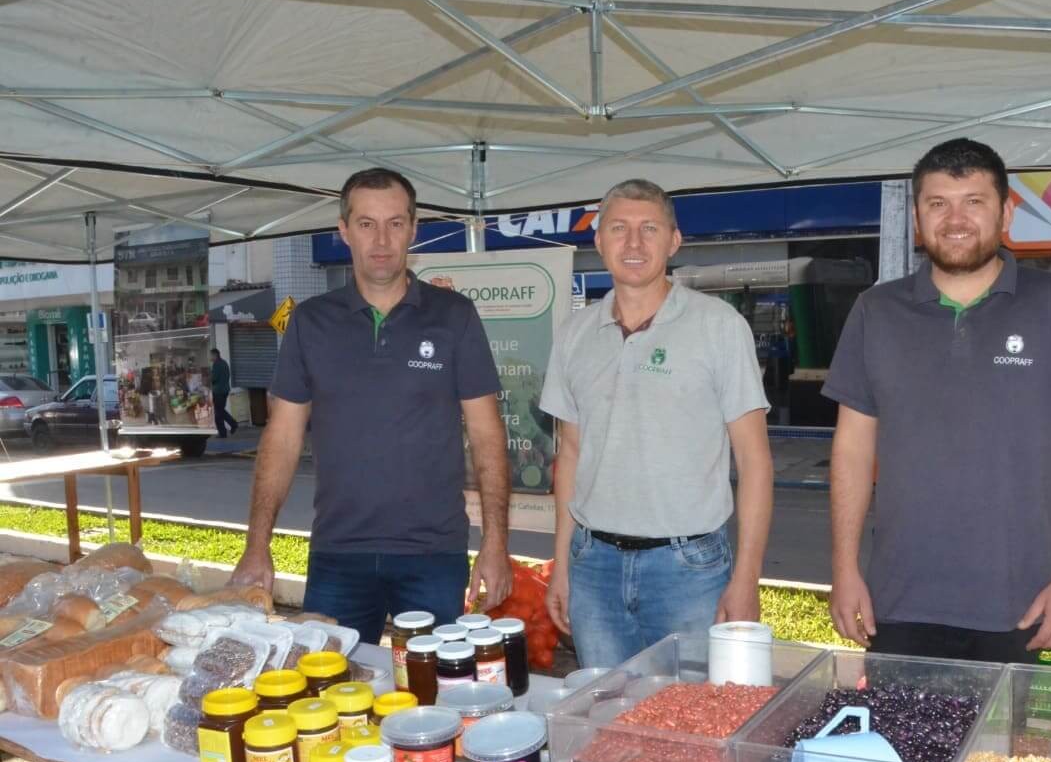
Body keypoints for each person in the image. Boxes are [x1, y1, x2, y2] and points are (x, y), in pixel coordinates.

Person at [824, 138, 1051, 664]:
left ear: (1007, 212)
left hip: (1020, 606)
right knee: (895, 723)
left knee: (1005, 725)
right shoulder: (875, 311)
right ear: (917, 217)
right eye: (937, 203)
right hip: (899, 603)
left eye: (974, 202)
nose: (955, 219)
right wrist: (844, 569)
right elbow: (851, 448)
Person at [229, 167, 513, 643]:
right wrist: (257, 545)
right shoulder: (310, 322)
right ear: (344, 231)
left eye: (395, 223)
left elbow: (487, 435)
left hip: (433, 554)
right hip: (338, 555)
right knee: (331, 683)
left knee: (433, 686)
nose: (381, 240)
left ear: (413, 229)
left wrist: (496, 542)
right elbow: (282, 438)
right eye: (366, 224)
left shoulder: (454, 316)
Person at [541, 178, 774, 669]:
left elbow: (754, 462)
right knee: (606, 710)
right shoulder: (574, 334)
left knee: (692, 715)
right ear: (598, 240)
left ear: (674, 241)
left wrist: (747, 579)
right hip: (593, 568)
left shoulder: (719, 327)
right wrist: (561, 565)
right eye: (618, 228)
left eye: (649, 229)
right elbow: (571, 455)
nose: (633, 243)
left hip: (689, 572)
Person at [210, 348, 238, 438]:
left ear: (215, 355)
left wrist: (209, 378)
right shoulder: (224, 363)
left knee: (218, 413)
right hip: (225, 390)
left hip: (218, 391)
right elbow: (228, 375)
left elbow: (214, 378)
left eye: (211, 355)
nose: (210, 357)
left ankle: (226, 430)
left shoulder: (216, 364)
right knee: (220, 411)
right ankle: (230, 426)